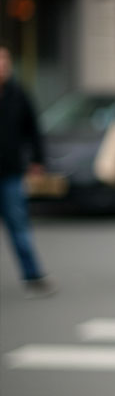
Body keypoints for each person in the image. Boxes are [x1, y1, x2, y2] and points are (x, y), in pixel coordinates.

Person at [0, 43, 56, 298]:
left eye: (5, 59)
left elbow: (33, 129)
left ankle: (32, 275)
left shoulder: (17, 93)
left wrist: (37, 160)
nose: (3, 65)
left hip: (10, 172)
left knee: (19, 226)